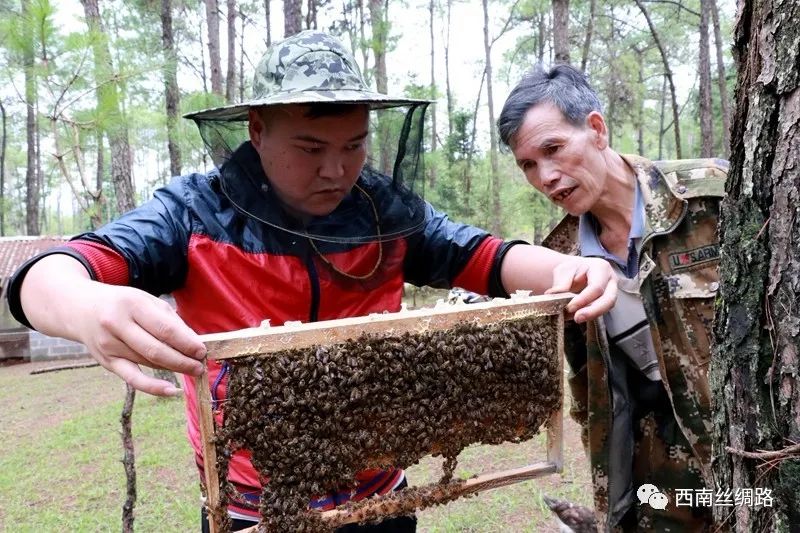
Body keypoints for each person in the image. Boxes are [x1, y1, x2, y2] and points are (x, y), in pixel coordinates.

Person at [7, 32, 617, 532]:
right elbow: (51, 273)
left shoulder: (385, 211)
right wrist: (81, 301)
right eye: (309, 146)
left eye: (354, 146)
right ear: (256, 131)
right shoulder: (190, 213)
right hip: (255, 511)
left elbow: (482, 256)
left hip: (381, 496)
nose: (336, 169)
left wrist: (568, 269)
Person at [497, 64, 726, 532]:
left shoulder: (711, 196)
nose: (545, 176)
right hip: (660, 478)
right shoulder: (557, 260)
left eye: (553, 149)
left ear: (596, 129)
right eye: (528, 164)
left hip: (753, 450)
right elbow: (590, 386)